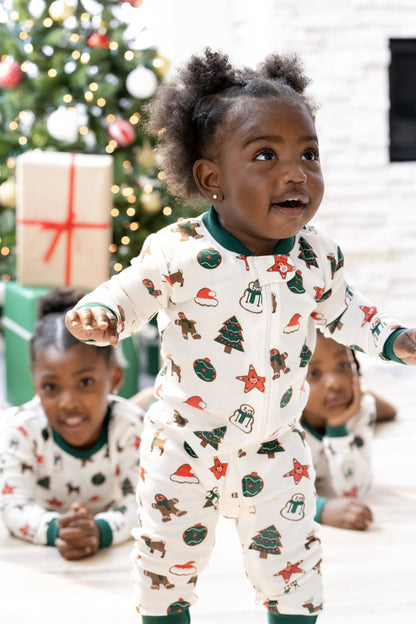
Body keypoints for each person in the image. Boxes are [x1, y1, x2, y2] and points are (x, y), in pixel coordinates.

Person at [65, 48, 416, 623]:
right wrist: (103, 311)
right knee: (164, 564)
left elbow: (350, 313)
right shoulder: (180, 251)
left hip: (275, 447)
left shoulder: (315, 258)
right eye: (265, 155)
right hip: (186, 444)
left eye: (308, 154)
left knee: (295, 569)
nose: (295, 172)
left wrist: (396, 339)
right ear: (212, 180)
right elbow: (132, 288)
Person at [0, 287, 144, 561]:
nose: (68, 403)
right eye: (51, 386)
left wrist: (101, 530)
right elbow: (12, 506)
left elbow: (144, 502)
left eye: (85, 382)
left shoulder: (129, 426)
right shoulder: (23, 430)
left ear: (113, 379)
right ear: (36, 386)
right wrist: (56, 530)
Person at [301, 330, 396, 531]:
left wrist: (338, 428)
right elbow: (263, 490)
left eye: (343, 366)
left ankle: (365, 394)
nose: (334, 383)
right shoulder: (281, 424)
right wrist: (320, 509)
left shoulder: (361, 410)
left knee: (387, 411)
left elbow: (353, 488)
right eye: (314, 373)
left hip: (358, 406)